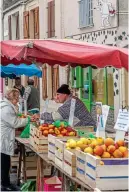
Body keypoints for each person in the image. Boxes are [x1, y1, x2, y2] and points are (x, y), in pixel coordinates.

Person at [0, 88, 29, 191]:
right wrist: (27, 120)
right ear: (12, 98)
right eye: (17, 98)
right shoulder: (6, 108)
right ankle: (5, 184)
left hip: (6, 136)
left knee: (5, 160)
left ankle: (6, 182)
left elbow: (14, 117)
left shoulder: (7, 106)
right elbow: (15, 123)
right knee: (4, 162)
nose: (18, 100)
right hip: (4, 138)